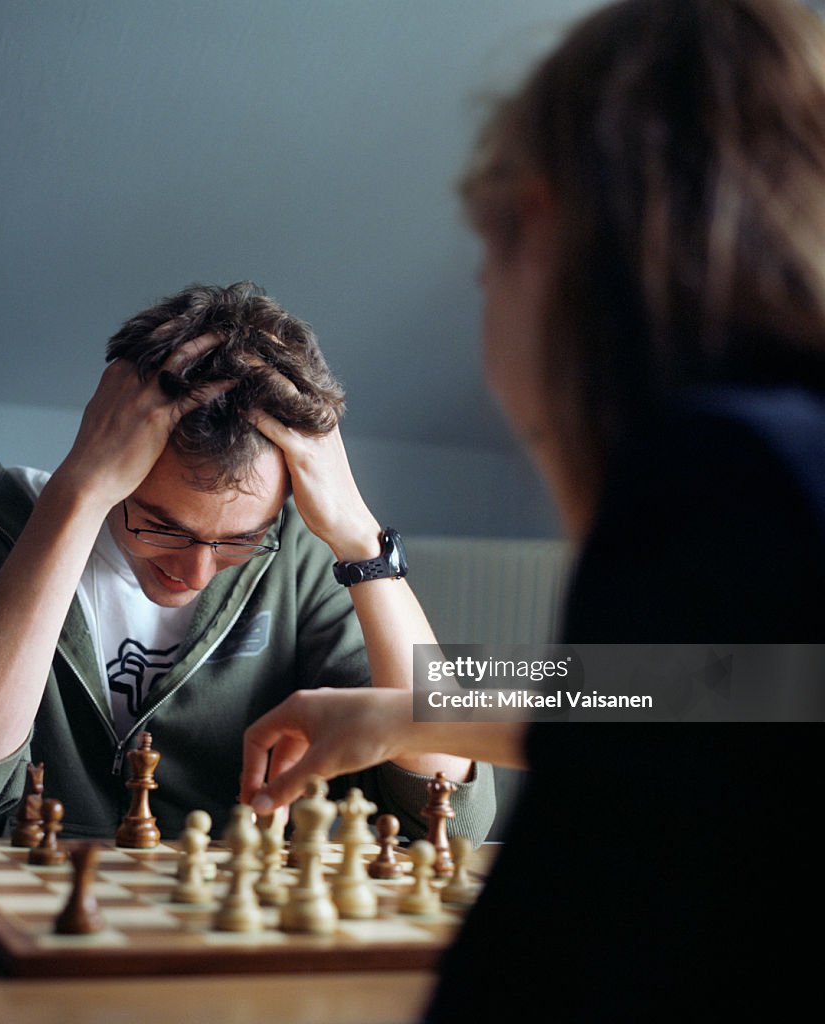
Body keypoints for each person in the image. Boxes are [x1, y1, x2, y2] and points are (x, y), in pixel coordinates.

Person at [240, 0, 825, 1018]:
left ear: (539, 229)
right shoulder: (781, 451)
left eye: (483, 260)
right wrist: (412, 704)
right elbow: (719, 686)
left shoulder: (718, 469)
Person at [0, 282, 495, 842]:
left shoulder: (298, 551)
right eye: (160, 526)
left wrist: (359, 540)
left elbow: (454, 812)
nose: (196, 571)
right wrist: (77, 496)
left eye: (240, 540)